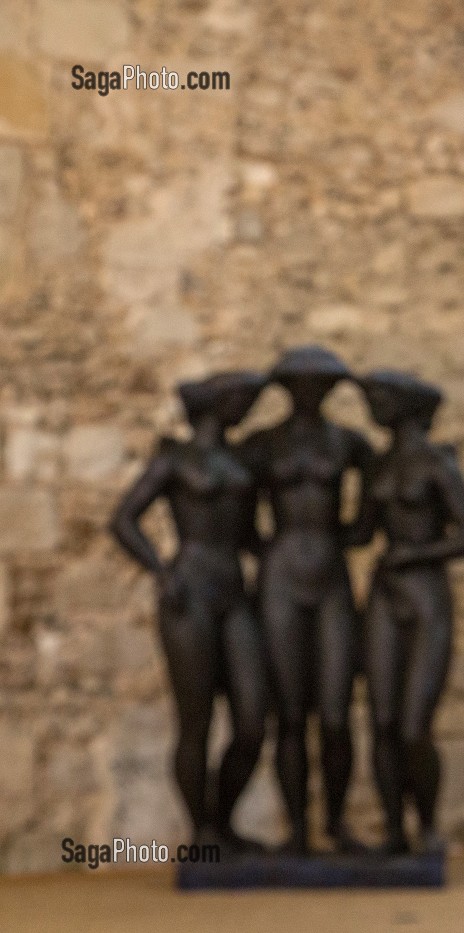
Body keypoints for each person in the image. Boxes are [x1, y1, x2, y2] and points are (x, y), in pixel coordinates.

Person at [110, 371, 268, 851]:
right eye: (239, 397)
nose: (245, 406)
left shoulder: (242, 461)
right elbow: (123, 520)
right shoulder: (174, 460)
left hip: (233, 591)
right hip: (190, 590)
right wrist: (161, 569)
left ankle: (223, 819)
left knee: (252, 720)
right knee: (196, 719)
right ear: (215, 404)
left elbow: (250, 536)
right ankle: (201, 830)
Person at [240, 345, 374, 854]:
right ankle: (297, 827)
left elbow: (371, 507)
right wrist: (269, 546)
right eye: (301, 383)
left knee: (337, 712)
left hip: (330, 573)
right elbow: (239, 513)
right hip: (280, 575)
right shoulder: (263, 446)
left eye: (322, 384)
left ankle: (336, 822)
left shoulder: (348, 443)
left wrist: (349, 533)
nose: (311, 393)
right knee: (290, 712)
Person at [358, 370, 464, 855]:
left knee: (414, 724)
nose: (373, 406)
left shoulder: (436, 463)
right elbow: (361, 531)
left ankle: (427, 826)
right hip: (385, 594)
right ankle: (393, 829)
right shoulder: (379, 465)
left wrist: (415, 553)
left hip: (426, 592)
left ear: (406, 406)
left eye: (380, 398)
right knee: (383, 720)